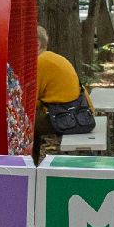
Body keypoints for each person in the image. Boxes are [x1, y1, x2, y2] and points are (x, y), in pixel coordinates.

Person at [34, 25, 94, 155]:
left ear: (37, 44)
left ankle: (28, 166)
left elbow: (31, 102)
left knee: (27, 124)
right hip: (81, 112)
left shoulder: (40, 62)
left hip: (68, 117)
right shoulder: (53, 57)